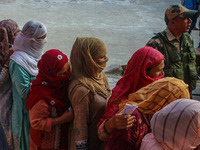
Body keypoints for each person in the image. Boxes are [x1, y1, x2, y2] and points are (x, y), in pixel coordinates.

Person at [97, 46, 165, 149]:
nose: (162, 74)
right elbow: (101, 135)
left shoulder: (162, 92)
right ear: (144, 71)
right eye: (158, 71)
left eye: (162, 70)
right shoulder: (121, 95)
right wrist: (110, 124)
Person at [98, 77, 190, 150]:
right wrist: (109, 125)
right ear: (164, 103)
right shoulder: (132, 119)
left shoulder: (160, 121)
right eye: (176, 108)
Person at [9, 19, 47, 150]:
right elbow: (24, 92)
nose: (44, 42)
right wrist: (45, 82)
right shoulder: (17, 61)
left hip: (37, 114)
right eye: (41, 39)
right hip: (23, 116)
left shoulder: (35, 56)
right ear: (31, 40)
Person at [68, 37, 111, 150]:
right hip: (91, 143)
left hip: (102, 138)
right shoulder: (81, 89)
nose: (106, 59)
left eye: (106, 55)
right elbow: (80, 124)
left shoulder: (100, 76)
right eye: (102, 57)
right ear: (88, 59)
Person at [146, 4, 198, 98]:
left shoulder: (187, 38)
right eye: (186, 18)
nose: (190, 21)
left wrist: (189, 93)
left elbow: (189, 66)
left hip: (185, 94)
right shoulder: (156, 44)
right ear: (172, 22)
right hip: (166, 97)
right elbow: (148, 77)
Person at [25, 49, 73, 150]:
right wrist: (62, 119)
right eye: (61, 74)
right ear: (50, 75)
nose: (66, 76)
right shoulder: (41, 96)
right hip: (44, 143)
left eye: (67, 71)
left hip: (61, 140)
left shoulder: (62, 87)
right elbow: (36, 123)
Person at [0, 19, 20, 150]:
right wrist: (7, 64)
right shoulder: (6, 53)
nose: (19, 35)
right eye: (16, 32)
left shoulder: (13, 50)